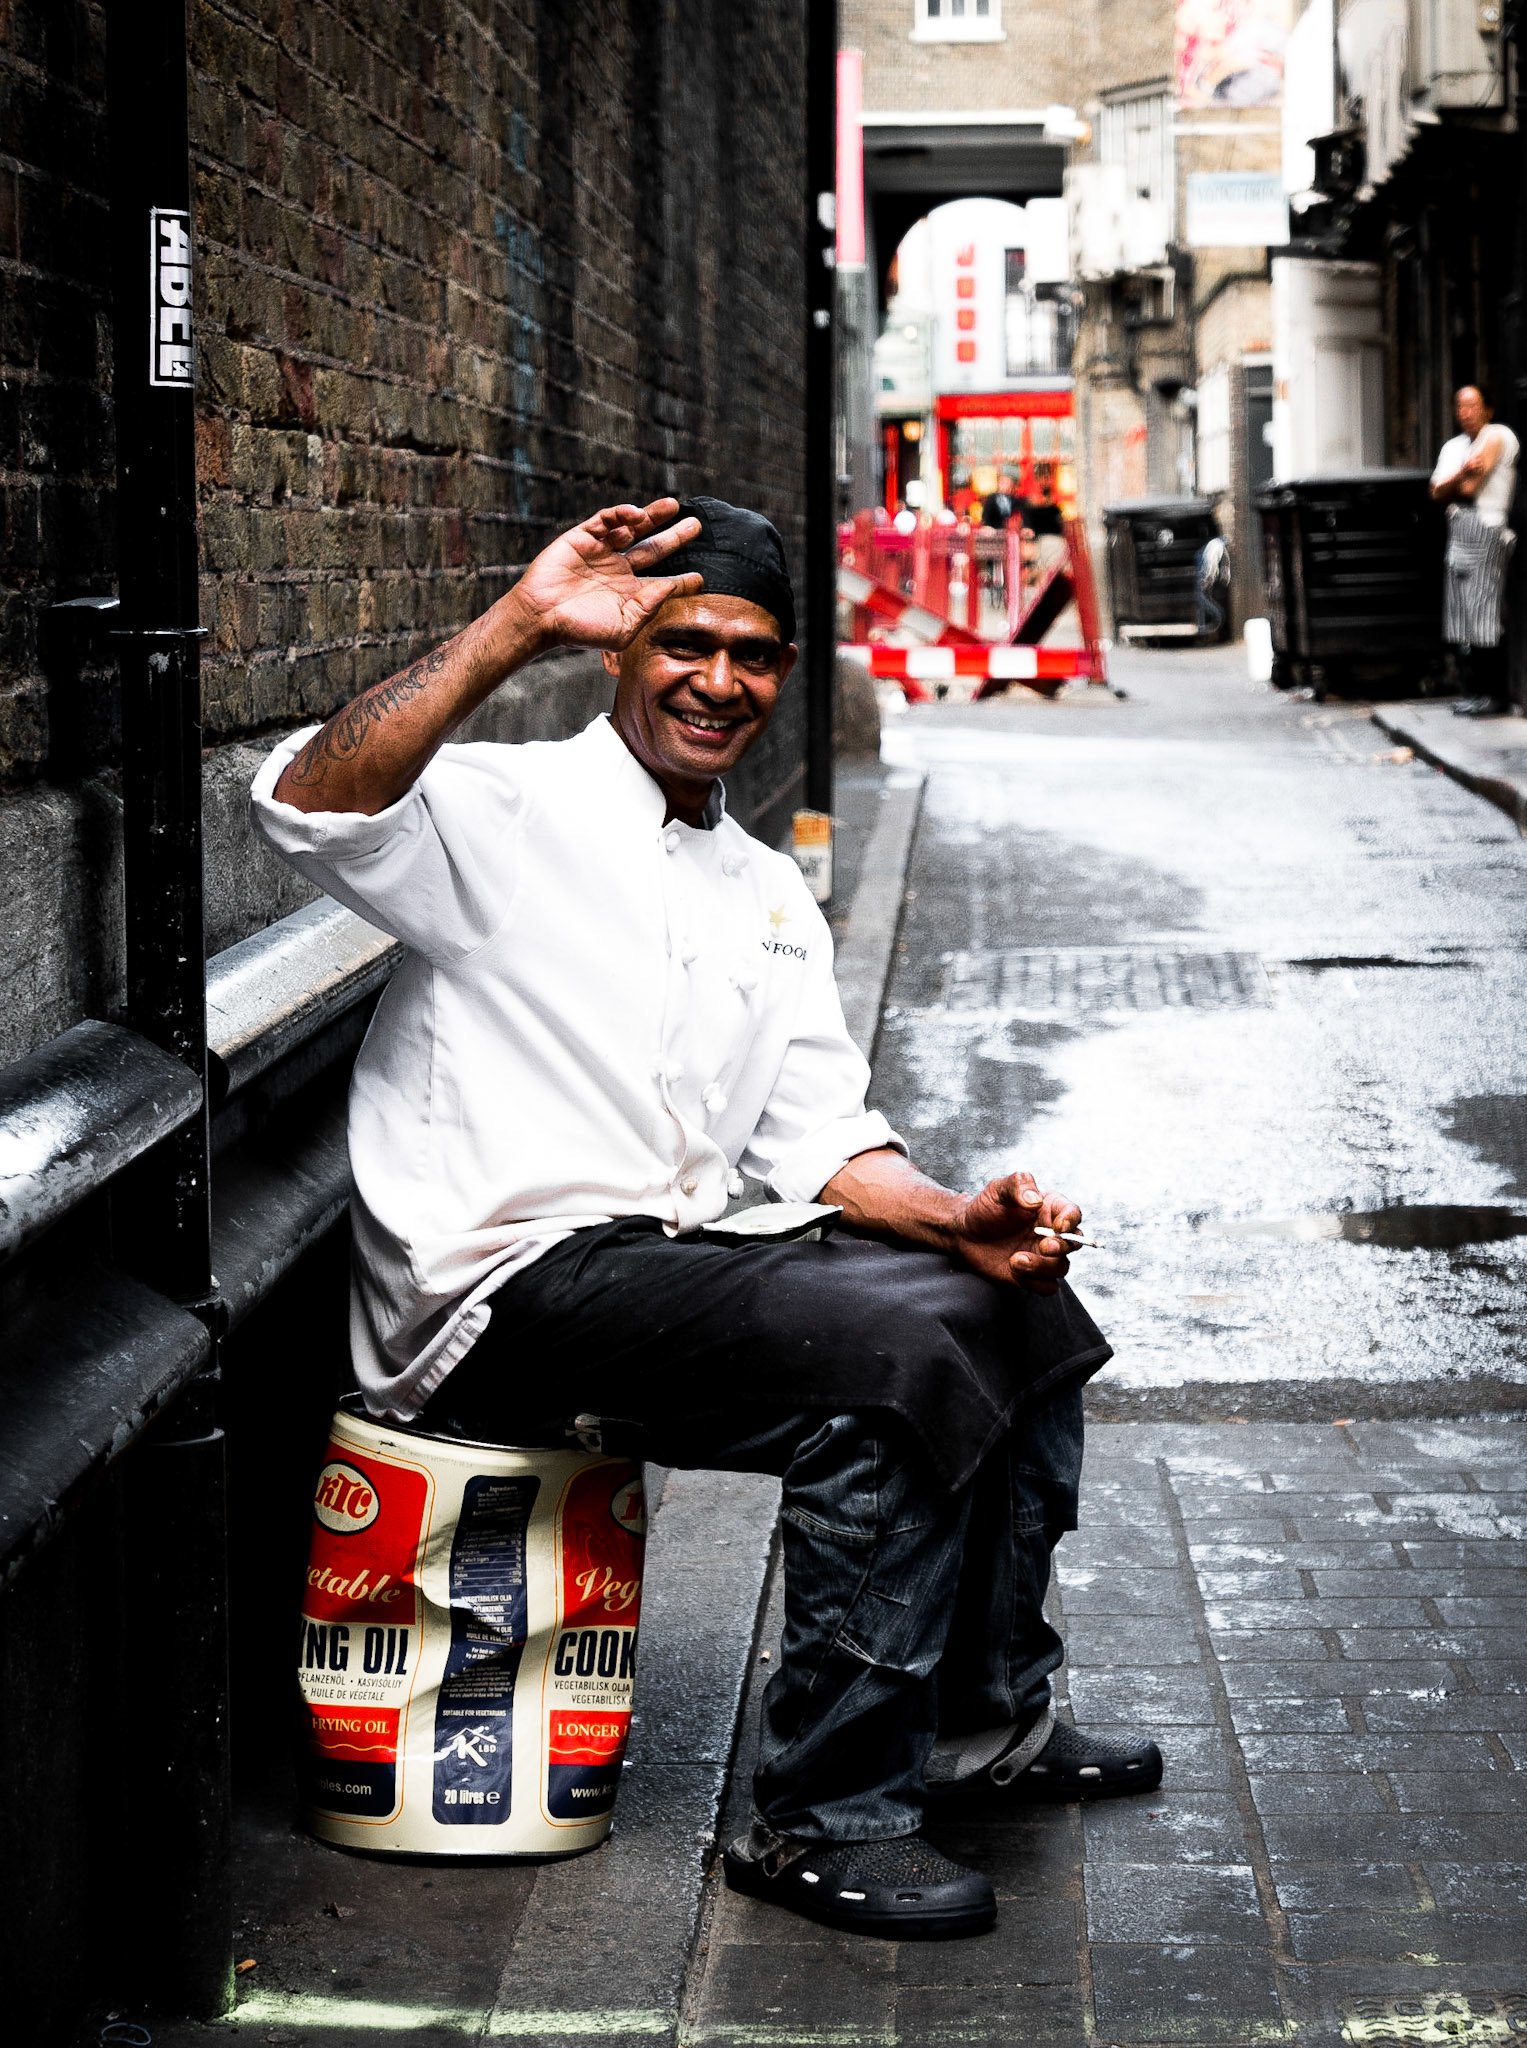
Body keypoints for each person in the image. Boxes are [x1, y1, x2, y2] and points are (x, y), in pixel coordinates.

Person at [251, 495, 1160, 1944]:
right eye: (684, 644)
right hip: (498, 1291)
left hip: (665, 1266)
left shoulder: (763, 892)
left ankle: (979, 1730)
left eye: (750, 656)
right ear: (623, 650)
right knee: (884, 1368)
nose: (716, 682)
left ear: (781, 671)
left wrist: (958, 1221)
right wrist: (517, 623)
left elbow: (823, 1142)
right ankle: (824, 1815)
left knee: (1021, 1312)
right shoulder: (501, 809)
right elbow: (306, 805)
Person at [1430, 384, 1519, 716]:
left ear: (1488, 409)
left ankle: (1495, 695)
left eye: (1472, 405)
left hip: (1486, 526)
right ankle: (1475, 690)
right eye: (1460, 406)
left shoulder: (1498, 436)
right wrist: (1459, 476)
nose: (1465, 412)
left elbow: (1467, 489)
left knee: (1485, 613)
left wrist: (1455, 482)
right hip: (1459, 530)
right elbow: (1436, 492)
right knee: (1462, 617)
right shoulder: (1454, 447)